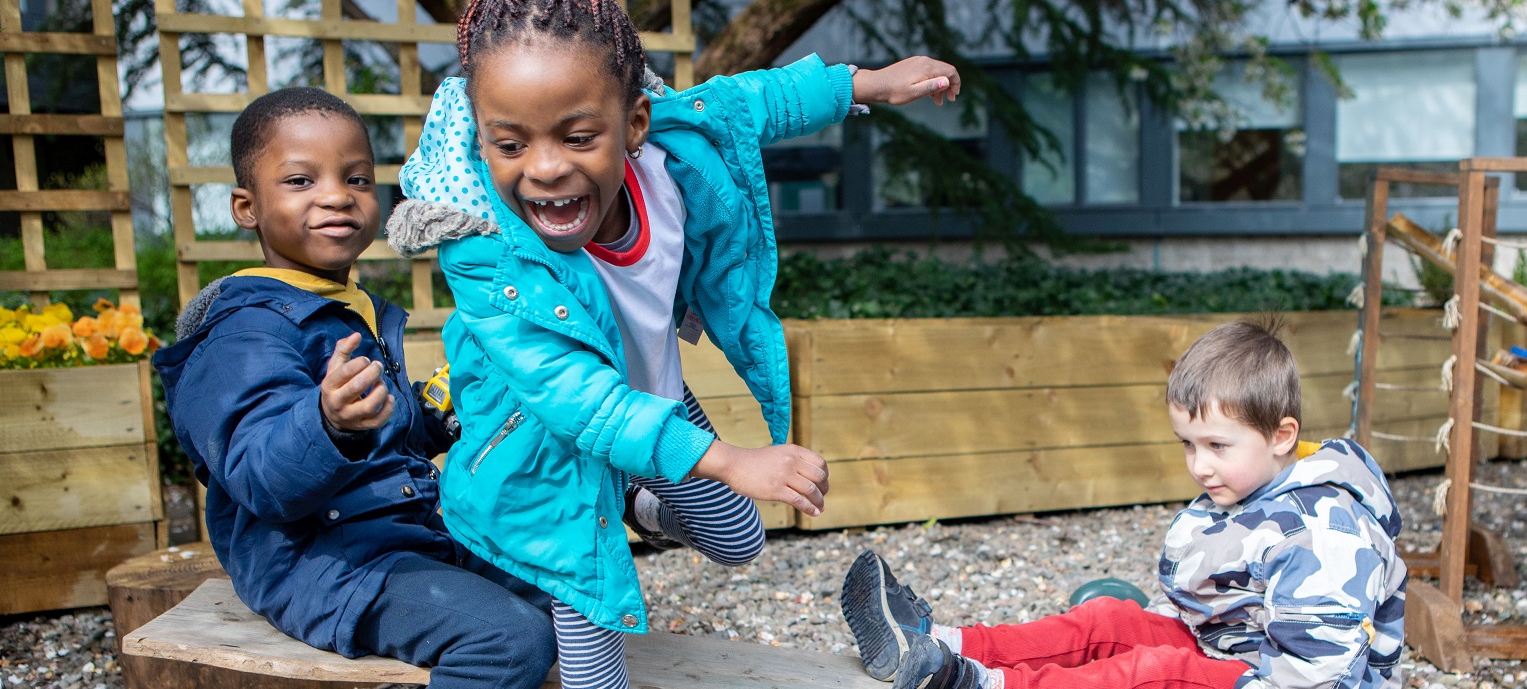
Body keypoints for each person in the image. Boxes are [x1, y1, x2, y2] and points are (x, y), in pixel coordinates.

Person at [381, 0, 962, 686]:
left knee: (738, 539)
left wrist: (864, 84)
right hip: (549, 444)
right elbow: (579, 401)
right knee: (596, 645)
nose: (543, 167)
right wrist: (725, 458)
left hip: (650, 400)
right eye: (510, 144)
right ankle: (611, 502)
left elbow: (749, 101)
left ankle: (635, 499)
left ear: (632, 125)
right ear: (482, 139)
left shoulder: (667, 156)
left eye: (576, 137)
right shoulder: (485, 255)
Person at [152, 87, 556, 689]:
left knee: (567, 588)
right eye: (299, 181)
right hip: (321, 561)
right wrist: (327, 423)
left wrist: (438, 410)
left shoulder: (346, 307)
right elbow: (260, 476)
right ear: (246, 207)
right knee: (508, 639)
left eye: (358, 179)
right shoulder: (241, 334)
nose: (337, 196)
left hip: (402, 535)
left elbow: (389, 435)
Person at [841, 319, 1408, 689]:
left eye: (1216, 446)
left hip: (1284, 683)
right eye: (1188, 444)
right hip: (1232, 654)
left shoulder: (1326, 530)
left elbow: (1315, 673)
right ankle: (945, 643)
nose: (1199, 465)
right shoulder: (1255, 483)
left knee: (1152, 671)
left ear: (1282, 436)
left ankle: (979, 683)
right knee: (1109, 620)